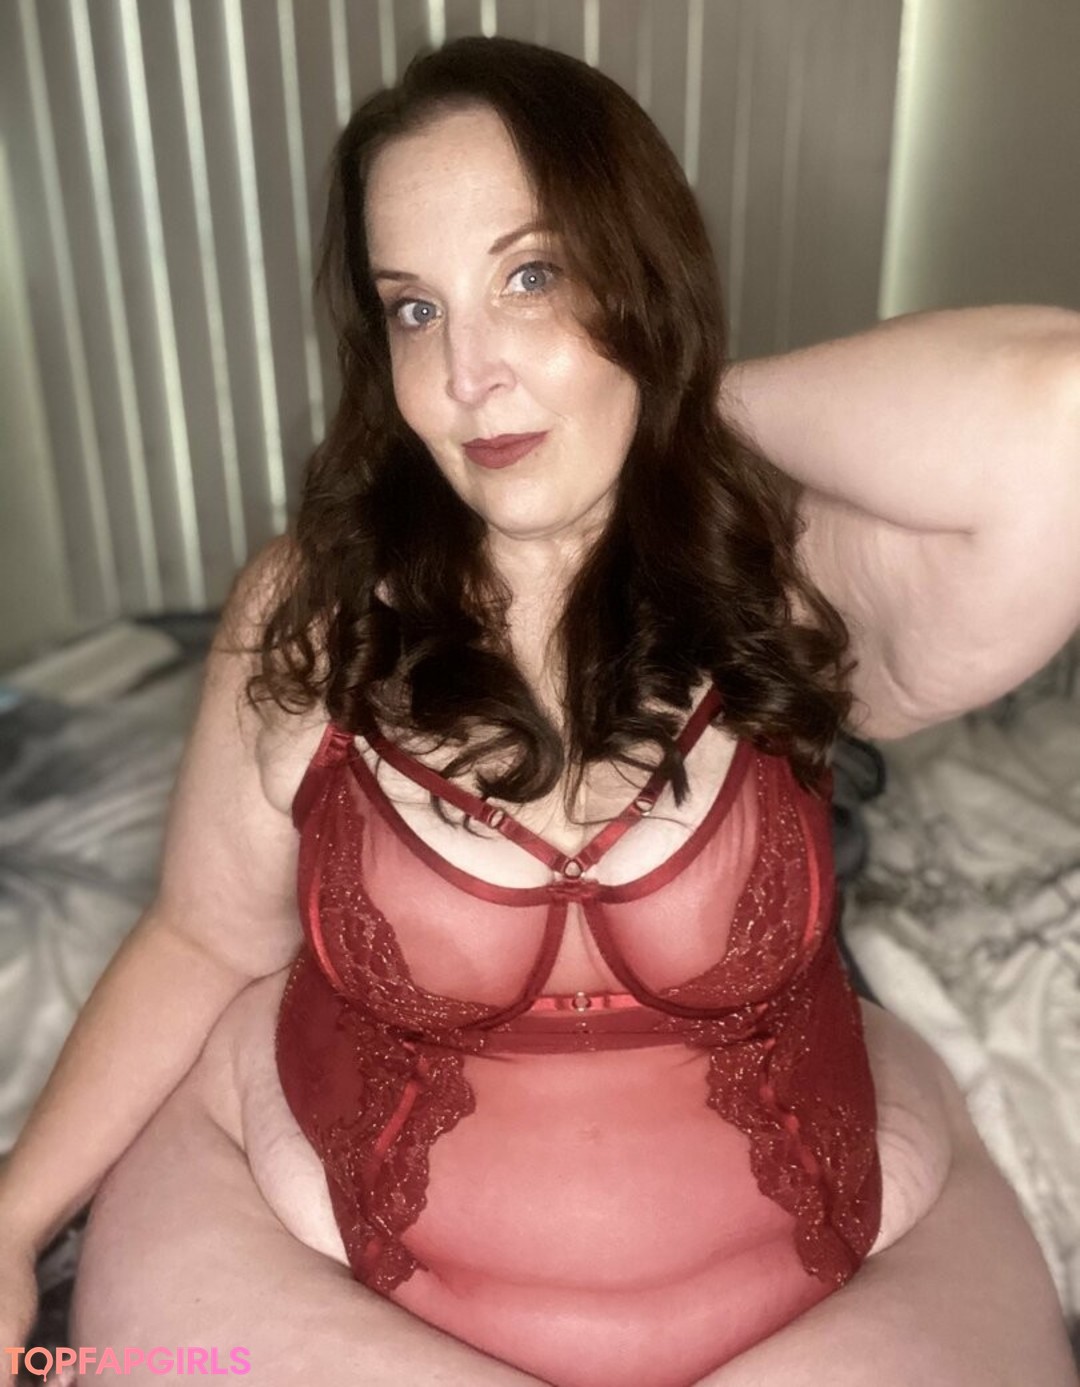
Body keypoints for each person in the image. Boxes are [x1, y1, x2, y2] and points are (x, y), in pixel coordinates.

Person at [2, 35, 1078, 1387]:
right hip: (315, 1285)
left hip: (837, 1303)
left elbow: (1060, 413)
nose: (469, 375)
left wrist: (665, 408)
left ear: (636, 275)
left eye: (531, 278)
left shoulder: (789, 583)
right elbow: (205, 933)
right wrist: (11, 1219)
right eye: (415, 309)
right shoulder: (313, 609)